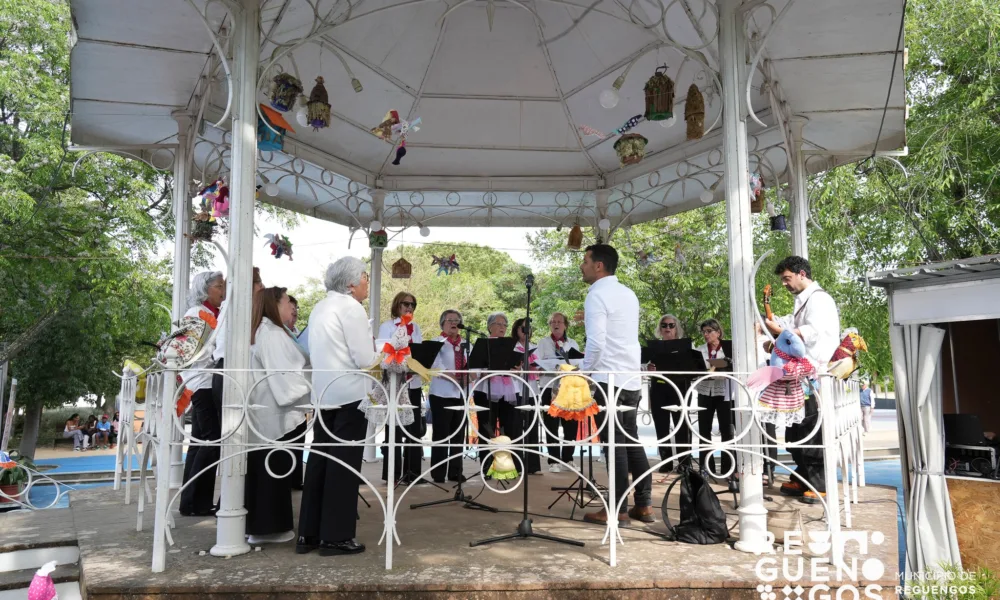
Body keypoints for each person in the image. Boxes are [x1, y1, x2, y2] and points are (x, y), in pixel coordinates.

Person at [297, 256, 375, 556]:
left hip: (324, 394)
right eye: (365, 276)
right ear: (351, 283)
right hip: (348, 394)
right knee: (343, 467)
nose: (367, 281)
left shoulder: (320, 306)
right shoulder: (350, 307)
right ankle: (337, 536)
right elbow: (364, 358)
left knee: (319, 463)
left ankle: (309, 533)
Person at [579, 244, 654, 526]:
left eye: (585, 261)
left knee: (614, 444)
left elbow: (596, 343)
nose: (582, 266)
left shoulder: (597, 295)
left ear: (599, 265)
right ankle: (644, 504)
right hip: (630, 376)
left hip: (609, 377)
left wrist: (585, 371)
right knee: (630, 440)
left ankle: (617, 509)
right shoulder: (627, 293)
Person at [765, 255, 841, 503]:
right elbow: (791, 325)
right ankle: (803, 475)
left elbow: (812, 331)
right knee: (795, 431)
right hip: (799, 376)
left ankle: (819, 483)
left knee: (809, 429)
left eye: (787, 279)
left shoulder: (819, 300)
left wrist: (783, 333)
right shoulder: (804, 301)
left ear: (802, 274)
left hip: (812, 375)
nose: (784, 284)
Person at [246, 286, 310, 545]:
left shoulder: (268, 331)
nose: (291, 307)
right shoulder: (272, 333)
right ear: (274, 305)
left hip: (269, 410)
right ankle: (268, 529)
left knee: (271, 470)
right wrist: (314, 385)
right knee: (273, 470)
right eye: (286, 302)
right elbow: (285, 376)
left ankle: (265, 526)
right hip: (276, 413)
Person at [179, 271, 226, 517]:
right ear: (205, 289)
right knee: (210, 440)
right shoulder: (197, 314)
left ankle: (191, 501)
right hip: (203, 382)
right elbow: (199, 351)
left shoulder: (209, 313)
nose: (223, 290)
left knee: (200, 441)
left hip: (204, 382)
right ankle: (196, 500)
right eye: (219, 286)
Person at [377, 292, 427, 484]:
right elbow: (384, 353)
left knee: (413, 429)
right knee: (394, 429)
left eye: (413, 304)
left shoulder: (416, 328)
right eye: (406, 304)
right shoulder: (387, 327)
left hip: (412, 383)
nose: (409, 307)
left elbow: (420, 353)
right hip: (395, 384)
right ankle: (392, 474)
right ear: (397, 305)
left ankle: (413, 473)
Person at [472, 312, 521, 476]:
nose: (502, 327)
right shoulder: (482, 344)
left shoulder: (513, 345)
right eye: (498, 324)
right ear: (490, 326)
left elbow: (517, 368)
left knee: (509, 428)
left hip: (507, 390)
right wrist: (483, 373)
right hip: (486, 390)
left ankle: (508, 467)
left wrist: (517, 369)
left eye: (505, 325)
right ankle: (487, 467)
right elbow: (473, 367)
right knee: (487, 428)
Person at [646, 314, 692, 474]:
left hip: (680, 387)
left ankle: (685, 462)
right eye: (664, 325)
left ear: (677, 328)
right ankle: (666, 461)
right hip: (659, 388)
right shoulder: (654, 347)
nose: (667, 328)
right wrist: (648, 367)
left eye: (671, 325)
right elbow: (645, 364)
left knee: (682, 425)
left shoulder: (685, 346)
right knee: (661, 425)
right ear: (660, 328)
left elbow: (692, 367)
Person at [536, 312, 581, 472]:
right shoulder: (543, 343)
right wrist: (550, 366)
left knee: (571, 424)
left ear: (565, 325)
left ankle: (568, 458)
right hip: (549, 386)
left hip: (568, 387)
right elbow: (537, 364)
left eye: (559, 322)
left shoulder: (573, 343)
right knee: (551, 424)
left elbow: (578, 364)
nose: (556, 324)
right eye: (553, 322)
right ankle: (553, 460)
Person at [428, 309, 469, 483]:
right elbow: (435, 365)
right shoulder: (437, 342)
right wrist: (454, 377)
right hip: (441, 393)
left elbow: (474, 365)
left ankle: (455, 471)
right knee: (441, 434)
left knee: (458, 434)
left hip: (461, 393)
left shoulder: (467, 343)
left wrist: (468, 377)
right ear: (443, 323)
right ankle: (438, 473)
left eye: (457, 320)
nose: (454, 322)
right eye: (450, 319)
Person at [695, 318, 735, 485]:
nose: (706, 335)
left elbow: (733, 367)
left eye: (709, 331)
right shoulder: (700, 350)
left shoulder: (728, 348)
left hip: (724, 391)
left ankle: (728, 469)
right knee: (704, 429)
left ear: (718, 332)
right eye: (704, 332)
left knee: (727, 429)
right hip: (705, 391)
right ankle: (706, 467)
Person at [511, 316, 542, 475]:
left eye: (528, 328)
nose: (526, 331)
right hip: (516, 389)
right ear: (516, 330)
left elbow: (540, 367)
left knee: (532, 428)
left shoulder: (535, 347)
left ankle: (533, 465)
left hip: (532, 390)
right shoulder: (512, 347)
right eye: (523, 328)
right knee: (516, 428)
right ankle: (516, 464)